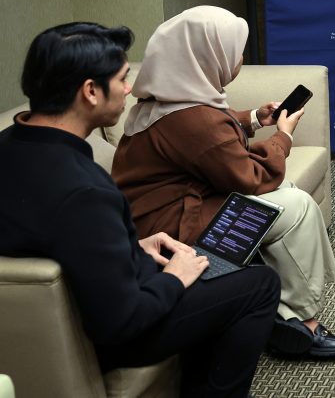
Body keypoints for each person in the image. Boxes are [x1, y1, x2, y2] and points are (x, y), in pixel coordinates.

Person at [0, 22, 281, 397]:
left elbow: (62, 237)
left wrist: (133, 247)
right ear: (90, 92)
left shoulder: (11, 144)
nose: (129, 89)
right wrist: (175, 278)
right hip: (120, 331)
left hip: (83, 295)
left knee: (210, 260)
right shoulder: (83, 192)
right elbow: (122, 320)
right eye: (122, 79)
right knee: (260, 284)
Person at [111, 6, 335, 360]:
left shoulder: (168, 96)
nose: (239, 59)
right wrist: (283, 137)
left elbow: (208, 138)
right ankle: (301, 320)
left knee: (286, 193)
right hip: (171, 230)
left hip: (160, 213)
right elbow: (251, 176)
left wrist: (252, 118)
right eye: (235, 51)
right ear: (206, 55)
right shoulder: (195, 120)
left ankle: (282, 309)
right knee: (297, 207)